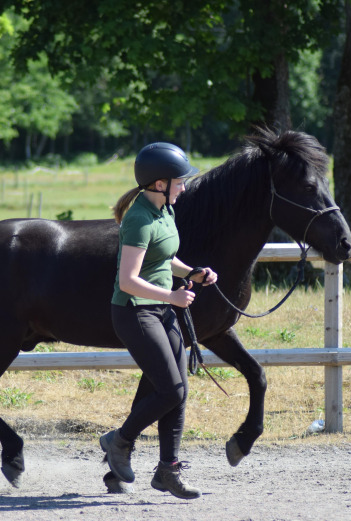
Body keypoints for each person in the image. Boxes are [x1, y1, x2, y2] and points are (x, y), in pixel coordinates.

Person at [101, 142, 217, 500]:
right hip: (135, 311)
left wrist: (193, 272)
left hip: (160, 309)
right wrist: (172, 296)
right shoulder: (138, 218)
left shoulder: (165, 209)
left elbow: (165, 257)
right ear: (158, 183)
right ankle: (118, 441)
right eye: (178, 181)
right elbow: (127, 280)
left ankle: (168, 470)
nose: (183, 187)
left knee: (178, 391)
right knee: (170, 390)